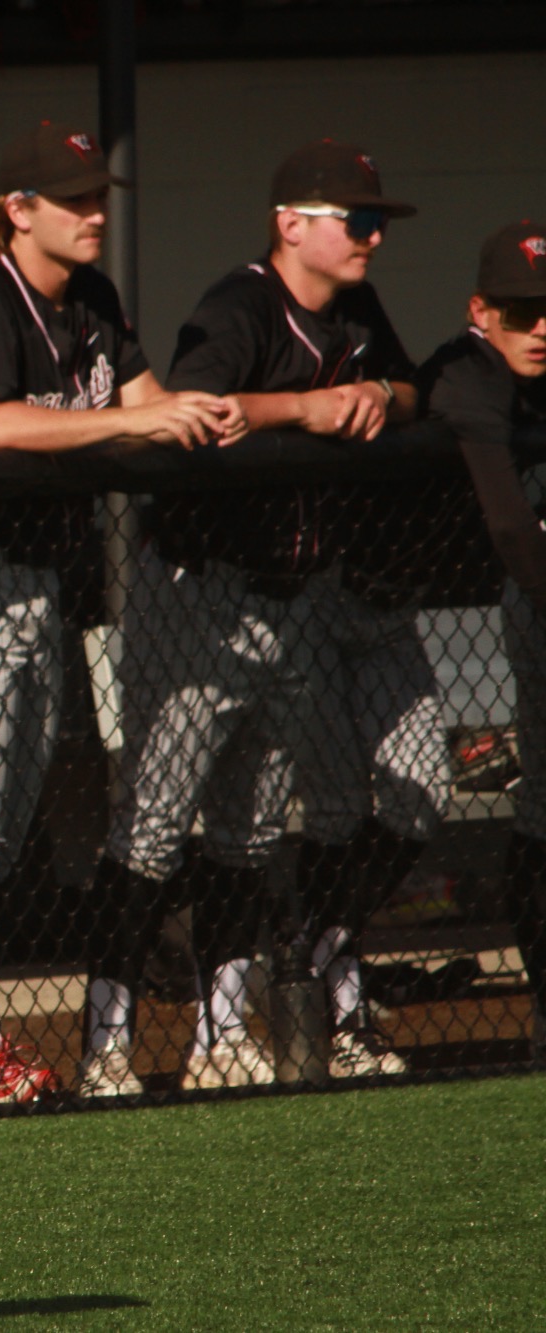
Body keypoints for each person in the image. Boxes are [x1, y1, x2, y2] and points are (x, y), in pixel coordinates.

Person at [0, 123, 242, 1109]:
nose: (95, 213)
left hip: (35, 578)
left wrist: (204, 413)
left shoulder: (90, 299)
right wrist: (131, 421)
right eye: (74, 199)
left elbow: (147, 401)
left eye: (98, 197)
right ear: (18, 211)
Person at [83, 139, 422, 1095]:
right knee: (152, 827)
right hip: (201, 588)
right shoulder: (238, 305)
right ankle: (102, 1044)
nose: (371, 238)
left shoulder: (352, 306)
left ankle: (222, 1035)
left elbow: (410, 387)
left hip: (295, 598)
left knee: (248, 831)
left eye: (375, 221)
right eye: (355, 221)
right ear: (291, 225)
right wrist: (306, 409)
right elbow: (201, 405)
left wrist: (372, 396)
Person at [420, 220, 546, 1061]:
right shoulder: (467, 374)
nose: (541, 328)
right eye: (521, 312)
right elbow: (510, 529)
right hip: (376, 607)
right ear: (481, 311)